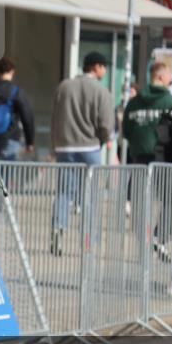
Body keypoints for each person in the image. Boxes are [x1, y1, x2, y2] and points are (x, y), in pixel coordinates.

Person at [49, 52, 114, 252]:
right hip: (90, 147)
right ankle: (88, 239)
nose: (105, 71)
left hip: (65, 147)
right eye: (104, 67)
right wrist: (104, 139)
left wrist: (55, 145)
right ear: (97, 67)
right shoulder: (102, 91)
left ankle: (58, 228)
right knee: (90, 194)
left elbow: (54, 118)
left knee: (63, 191)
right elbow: (105, 125)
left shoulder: (64, 87)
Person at [122, 60, 172, 165]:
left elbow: (126, 130)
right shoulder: (171, 102)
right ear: (161, 77)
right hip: (163, 157)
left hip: (138, 155)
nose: (171, 80)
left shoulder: (133, 103)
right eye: (169, 76)